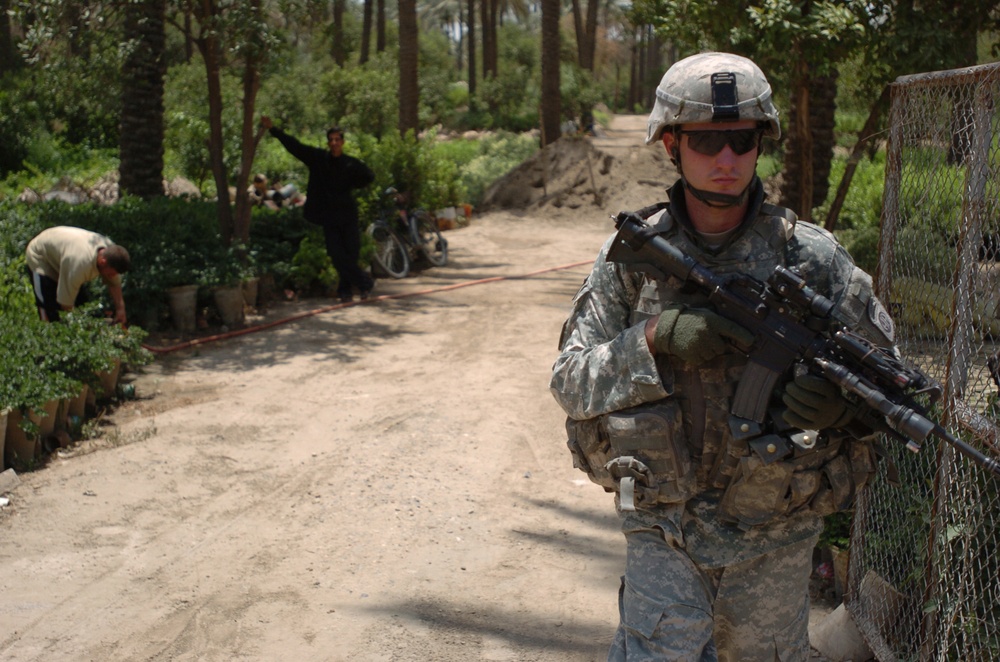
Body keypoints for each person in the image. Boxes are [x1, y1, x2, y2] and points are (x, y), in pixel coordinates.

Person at [549, 52, 897, 661]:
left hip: (775, 527)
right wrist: (653, 339)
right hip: (662, 520)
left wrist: (842, 409)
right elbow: (570, 381)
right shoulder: (634, 257)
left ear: (760, 143)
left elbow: (887, 386)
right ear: (671, 146)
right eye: (708, 141)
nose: (727, 159)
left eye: (741, 139)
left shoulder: (812, 259)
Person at [260, 116, 375, 302]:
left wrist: (351, 184)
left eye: (338, 139)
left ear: (343, 142)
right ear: (328, 142)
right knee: (336, 254)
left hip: (348, 214)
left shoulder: (350, 164)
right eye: (331, 140)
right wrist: (274, 130)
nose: (335, 143)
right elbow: (295, 146)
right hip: (329, 216)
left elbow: (369, 176)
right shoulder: (319, 159)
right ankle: (364, 283)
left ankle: (347, 291)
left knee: (351, 253)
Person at [25, 225, 131, 325]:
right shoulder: (80, 264)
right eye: (111, 273)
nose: (112, 276)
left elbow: (114, 283)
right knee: (51, 310)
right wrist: (79, 326)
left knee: (82, 305)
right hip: (42, 257)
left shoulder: (112, 253)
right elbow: (65, 304)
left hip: (64, 254)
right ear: (103, 262)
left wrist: (120, 309)